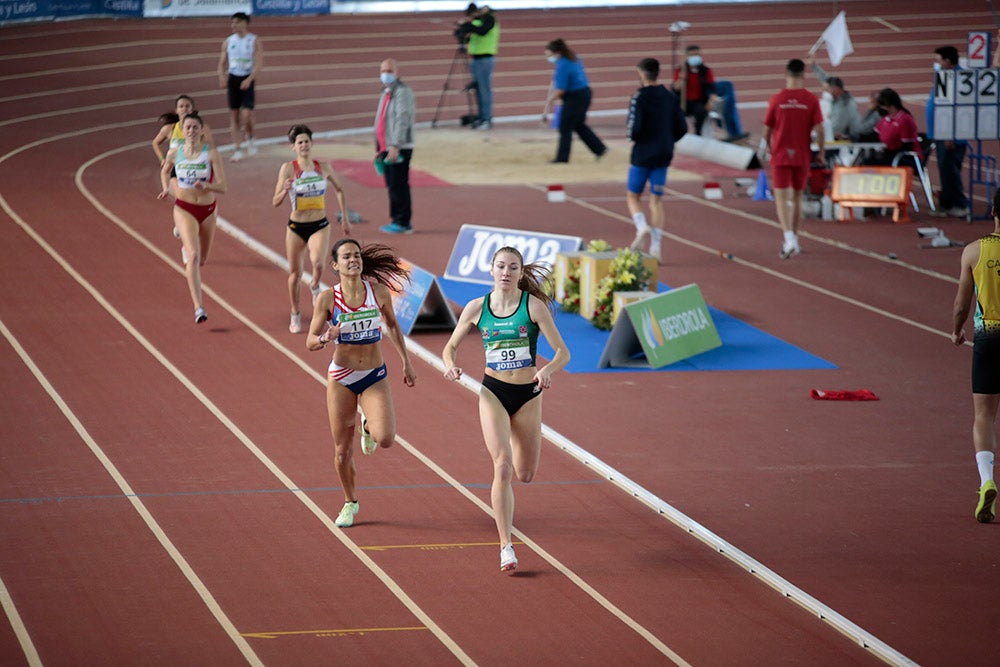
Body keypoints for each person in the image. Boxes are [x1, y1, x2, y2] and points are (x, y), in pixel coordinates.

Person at [441, 246, 570, 572]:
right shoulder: (476, 307)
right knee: (502, 467)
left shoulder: (533, 307)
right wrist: (450, 365)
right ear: (491, 270)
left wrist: (547, 370)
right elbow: (450, 346)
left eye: (513, 267)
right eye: (501, 266)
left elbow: (562, 353)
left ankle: (515, 434)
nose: (506, 272)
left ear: (520, 272)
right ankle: (506, 547)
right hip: (493, 392)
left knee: (525, 474)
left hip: (528, 395)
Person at [307, 238, 417, 528]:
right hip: (342, 378)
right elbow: (309, 341)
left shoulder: (378, 292)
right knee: (342, 450)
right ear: (335, 265)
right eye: (346, 256)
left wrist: (406, 361)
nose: (353, 260)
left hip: (373, 374)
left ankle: (367, 425)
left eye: (356, 255)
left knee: (386, 439)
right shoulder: (328, 299)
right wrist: (324, 338)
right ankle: (349, 502)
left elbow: (392, 325)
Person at [950, 187, 1000, 523]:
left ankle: (987, 481)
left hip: (988, 338)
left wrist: (957, 331)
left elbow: (961, 303)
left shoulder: (973, 251)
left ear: (993, 211)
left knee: (983, 414)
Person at [272, 124, 351, 335]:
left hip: (319, 224)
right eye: (300, 142)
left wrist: (345, 218)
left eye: (307, 141)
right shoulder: (288, 169)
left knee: (317, 263)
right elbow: (276, 201)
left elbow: (340, 190)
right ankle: (295, 312)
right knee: (295, 274)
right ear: (293, 147)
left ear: (311, 143)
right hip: (297, 226)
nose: (304, 145)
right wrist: (285, 190)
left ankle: (315, 285)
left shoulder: (322, 167)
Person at [157, 113, 227, 324]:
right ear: (182, 130)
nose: (191, 131)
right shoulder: (174, 153)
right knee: (194, 256)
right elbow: (165, 172)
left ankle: (185, 243)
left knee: (202, 259)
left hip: (207, 210)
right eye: (187, 127)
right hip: (184, 207)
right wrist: (166, 188)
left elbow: (223, 186)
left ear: (201, 130)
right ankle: (199, 308)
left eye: (195, 127)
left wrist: (207, 185)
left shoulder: (211, 154)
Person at [625, 57, 687, 263]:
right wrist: (667, 140)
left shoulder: (639, 97)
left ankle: (642, 227)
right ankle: (657, 246)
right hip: (663, 154)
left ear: (641, 73)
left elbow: (633, 129)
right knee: (656, 200)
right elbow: (682, 128)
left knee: (633, 196)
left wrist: (634, 137)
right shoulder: (670, 97)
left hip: (642, 154)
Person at [763, 58, 824, 259]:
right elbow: (820, 128)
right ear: (803, 75)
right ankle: (794, 240)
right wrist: (821, 151)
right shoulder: (811, 99)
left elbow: (767, 128)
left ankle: (788, 238)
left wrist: (767, 146)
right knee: (797, 197)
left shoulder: (776, 99)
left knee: (781, 198)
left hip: (780, 154)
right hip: (802, 154)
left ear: (786, 75)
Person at [541, 38, 607, 163]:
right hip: (584, 94)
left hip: (575, 97)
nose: (548, 58)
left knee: (565, 127)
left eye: (549, 55)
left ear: (557, 53)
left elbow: (561, 90)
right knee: (578, 124)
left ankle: (562, 158)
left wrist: (551, 99)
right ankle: (599, 148)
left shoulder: (562, 65)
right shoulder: (573, 58)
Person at [374, 58, 416, 234]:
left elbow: (402, 119)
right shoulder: (386, 92)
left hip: (399, 147)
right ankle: (396, 219)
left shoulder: (402, 92)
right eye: (383, 70)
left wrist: (395, 145)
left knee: (399, 183)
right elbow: (381, 121)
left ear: (398, 73)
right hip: (386, 147)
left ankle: (403, 222)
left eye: (389, 70)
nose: (386, 74)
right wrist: (379, 148)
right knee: (392, 184)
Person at [928, 45, 970, 218]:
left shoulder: (956, 79)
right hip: (941, 132)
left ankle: (960, 204)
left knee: (950, 169)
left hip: (950, 135)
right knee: (945, 169)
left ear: (947, 61)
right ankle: (946, 203)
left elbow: (955, 109)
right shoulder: (945, 76)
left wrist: (949, 134)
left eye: (938, 60)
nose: (935, 63)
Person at [218, 12, 262, 163]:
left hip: (247, 79)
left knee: (246, 115)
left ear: (245, 23)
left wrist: (250, 79)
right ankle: (237, 148)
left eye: (237, 22)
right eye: (232, 22)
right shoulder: (228, 42)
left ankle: (250, 137)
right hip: (233, 79)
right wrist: (222, 76)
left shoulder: (254, 40)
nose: (233, 25)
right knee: (234, 116)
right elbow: (222, 63)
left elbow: (259, 63)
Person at [456, 3, 499, 130]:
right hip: (476, 59)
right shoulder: (477, 22)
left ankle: (486, 119)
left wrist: (467, 26)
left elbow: (482, 31)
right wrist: (464, 29)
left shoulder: (490, 20)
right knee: (479, 90)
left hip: (485, 59)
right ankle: (481, 117)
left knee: (484, 90)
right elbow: (464, 35)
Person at [806, 55, 861, 140]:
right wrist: (814, 65)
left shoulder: (844, 105)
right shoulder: (838, 95)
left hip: (847, 141)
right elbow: (825, 79)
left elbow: (834, 129)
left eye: (826, 90)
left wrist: (814, 132)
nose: (824, 92)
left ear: (835, 89)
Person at [867, 88, 920, 166]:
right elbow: (874, 135)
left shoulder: (904, 119)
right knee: (866, 160)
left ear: (889, 105)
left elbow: (907, 146)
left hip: (904, 157)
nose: (880, 108)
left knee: (872, 163)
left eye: (882, 105)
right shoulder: (886, 119)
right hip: (889, 154)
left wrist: (885, 152)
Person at [673, 45, 716, 137]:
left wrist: (711, 102)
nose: (695, 57)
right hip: (683, 101)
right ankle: (679, 134)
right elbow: (676, 88)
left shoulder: (706, 70)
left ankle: (698, 133)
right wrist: (681, 79)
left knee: (701, 112)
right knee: (675, 114)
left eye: (697, 54)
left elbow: (712, 88)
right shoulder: (681, 70)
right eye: (692, 55)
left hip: (698, 101)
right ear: (687, 57)